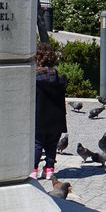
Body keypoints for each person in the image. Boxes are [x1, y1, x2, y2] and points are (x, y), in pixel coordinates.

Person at [31, 43, 67, 181]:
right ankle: (49, 169)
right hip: (56, 117)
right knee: (52, 144)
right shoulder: (57, 76)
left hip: (40, 115)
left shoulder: (34, 76)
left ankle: (33, 169)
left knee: (37, 144)